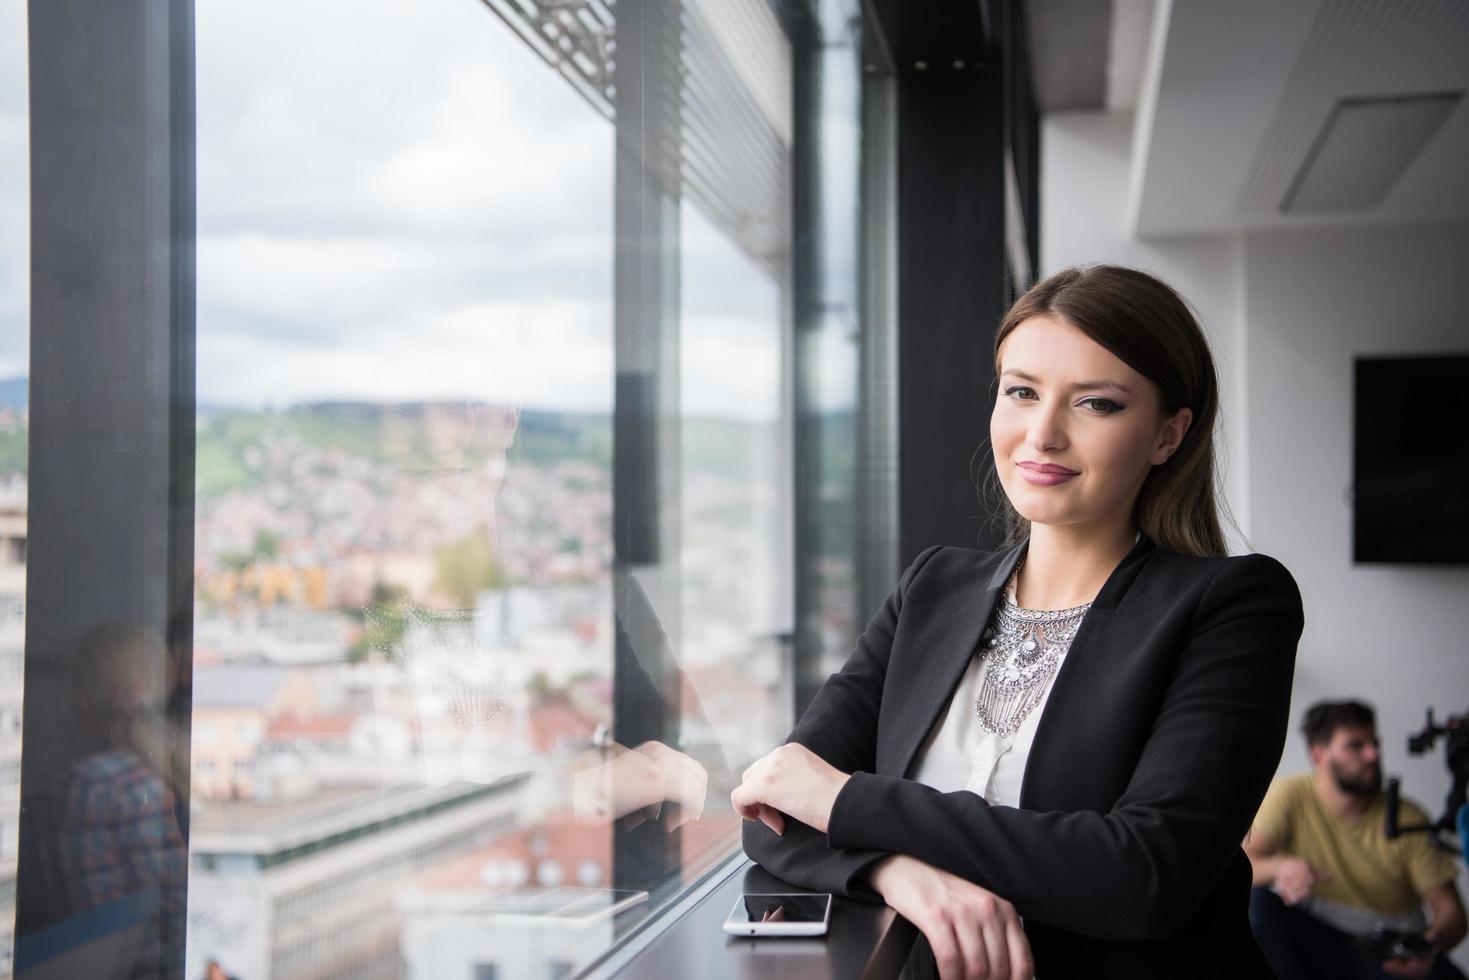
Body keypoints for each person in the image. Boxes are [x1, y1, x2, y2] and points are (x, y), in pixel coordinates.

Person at [730, 264, 1306, 978]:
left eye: (1095, 404)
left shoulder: (1233, 604)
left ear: (1168, 434)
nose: (1042, 434)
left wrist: (848, 801)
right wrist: (898, 872)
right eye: (1021, 392)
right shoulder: (931, 588)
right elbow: (774, 810)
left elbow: (1143, 877)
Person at [1245, 701, 1467, 980]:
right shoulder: (1291, 796)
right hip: (1318, 936)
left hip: (1386, 948)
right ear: (1318, 755)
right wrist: (1278, 866)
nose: (1373, 754)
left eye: (1375, 743)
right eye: (1355, 745)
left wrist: (1427, 948)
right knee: (1257, 902)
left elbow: (1452, 915)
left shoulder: (1407, 818)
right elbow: (1243, 865)